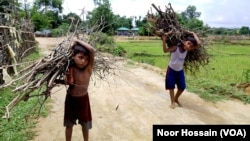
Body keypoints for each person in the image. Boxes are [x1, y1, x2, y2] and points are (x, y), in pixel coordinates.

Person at [56, 39, 95, 141]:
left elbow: (91, 50)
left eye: (86, 59)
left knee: (85, 125)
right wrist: (57, 81)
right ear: (73, 56)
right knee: (69, 125)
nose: (83, 61)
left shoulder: (88, 69)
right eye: (80, 57)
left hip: (83, 100)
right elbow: (68, 83)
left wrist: (76, 41)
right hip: (70, 99)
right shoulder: (70, 68)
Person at [161, 31, 201, 109]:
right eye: (188, 43)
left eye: (191, 45)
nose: (189, 46)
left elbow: (198, 43)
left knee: (182, 87)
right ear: (184, 42)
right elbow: (165, 50)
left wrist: (193, 33)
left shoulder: (187, 50)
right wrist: (164, 41)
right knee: (171, 87)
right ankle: (172, 102)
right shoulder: (175, 48)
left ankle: (176, 99)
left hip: (179, 70)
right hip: (171, 69)